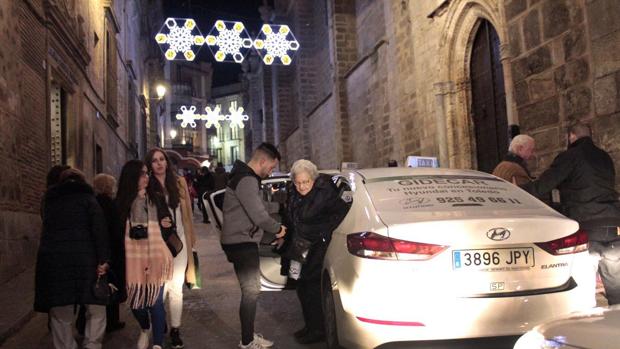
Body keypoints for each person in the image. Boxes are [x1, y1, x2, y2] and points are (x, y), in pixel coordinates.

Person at [522, 123, 620, 305]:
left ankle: (590, 328)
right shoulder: (604, 157)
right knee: (617, 290)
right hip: (613, 225)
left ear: (571, 136)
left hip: (587, 227)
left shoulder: (569, 157)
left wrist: (515, 193)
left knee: (585, 290)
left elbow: (543, 185)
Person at [221, 142, 287, 349]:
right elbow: (259, 216)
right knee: (251, 291)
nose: (272, 171)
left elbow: (258, 205)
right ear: (262, 161)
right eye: (272, 167)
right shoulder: (247, 179)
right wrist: (278, 229)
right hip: (241, 242)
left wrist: (281, 205)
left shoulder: (244, 177)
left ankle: (248, 336)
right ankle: (247, 342)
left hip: (238, 241)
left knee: (251, 290)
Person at [34, 168, 110, 349]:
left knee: (61, 310)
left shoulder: (51, 202)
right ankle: (92, 344)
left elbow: (46, 234)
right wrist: (103, 260)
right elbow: (100, 231)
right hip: (87, 261)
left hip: (57, 262)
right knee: (95, 307)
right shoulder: (90, 200)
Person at [281, 159, 350, 344]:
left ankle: (318, 330)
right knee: (300, 286)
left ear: (313, 179)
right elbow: (290, 215)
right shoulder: (293, 192)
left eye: (305, 182)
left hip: (316, 247)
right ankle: (309, 325)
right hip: (298, 247)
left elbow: (341, 212)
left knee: (312, 288)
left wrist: (324, 232)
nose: (301, 186)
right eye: (297, 182)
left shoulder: (326, 192)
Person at [117, 160, 173, 349]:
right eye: (142, 174)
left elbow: (168, 220)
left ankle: (157, 343)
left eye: (146, 173)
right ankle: (145, 327)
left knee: (156, 302)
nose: (146, 177)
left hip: (157, 255)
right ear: (132, 177)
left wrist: (166, 223)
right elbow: (116, 232)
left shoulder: (156, 198)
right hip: (133, 260)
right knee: (137, 304)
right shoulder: (122, 202)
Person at [145, 148, 197, 349]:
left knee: (176, 287)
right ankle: (160, 322)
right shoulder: (147, 186)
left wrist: (191, 239)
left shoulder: (179, 183)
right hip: (158, 244)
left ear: (167, 162)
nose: (159, 163)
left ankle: (175, 328)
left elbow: (187, 214)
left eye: (162, 160)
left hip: (179, 241)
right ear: (149, 165)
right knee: (161, 288)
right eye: (154, 161)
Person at [93, 173, 126, 332]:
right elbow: (117, 231)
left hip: (96, 251)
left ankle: (89, 322)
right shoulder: (111, 205)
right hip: (111, 251)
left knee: (97, 287)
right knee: (112, 286)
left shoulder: (92, 203)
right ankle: (111, 321)